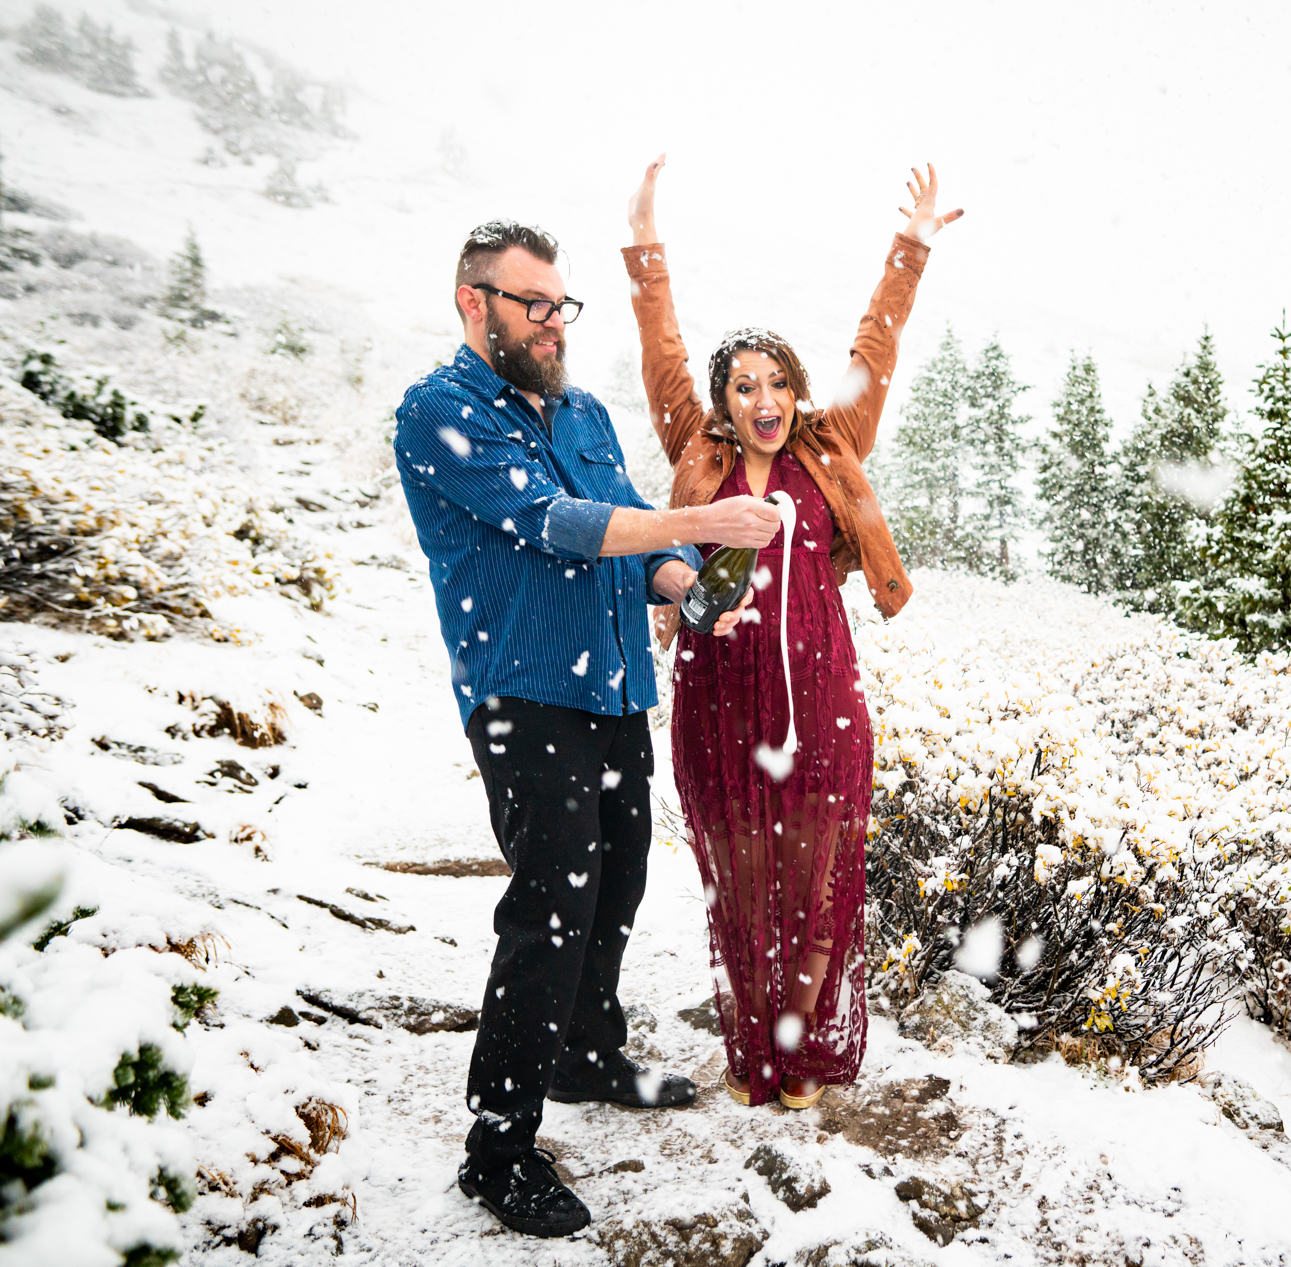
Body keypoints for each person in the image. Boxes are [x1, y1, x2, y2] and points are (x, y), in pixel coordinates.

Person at [392, 220, 783, 1237]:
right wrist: (699, 525)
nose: (553, 322)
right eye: (533, 303)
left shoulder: (587, 413)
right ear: (474, 303)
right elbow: (559, 523)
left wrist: (690, 588)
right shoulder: (440, 410)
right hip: (524, 690)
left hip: (613, 688)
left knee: (616, 877)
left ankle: (585, 1051)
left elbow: (625, 535)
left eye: (562, 304)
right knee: (548, 905)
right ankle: (499, 1144)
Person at [624, 156, 962, 1110]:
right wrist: (645, 247)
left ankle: (805, 1048)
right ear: (724, 402)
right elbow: (663, 351)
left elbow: (878, 343)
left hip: (821, 696)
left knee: (815, 883)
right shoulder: (698, 446)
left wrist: (912, 248)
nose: (761, 398)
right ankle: (753, 1050)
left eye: (776, 382)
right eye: (743, 386)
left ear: (795, 389)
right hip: (717, 694)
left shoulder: (830, 443)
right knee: (741, 881)